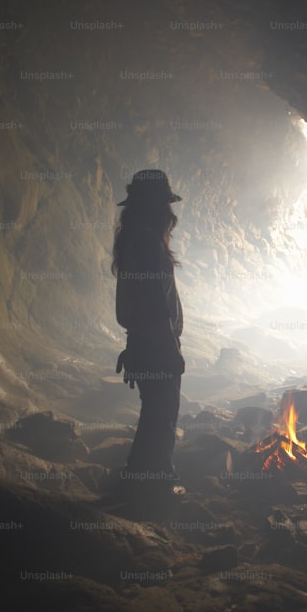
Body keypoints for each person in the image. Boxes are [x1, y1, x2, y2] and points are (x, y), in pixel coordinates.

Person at [112, 169, 185, 504]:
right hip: (155, 344)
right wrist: (171, 349)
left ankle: (140, 483)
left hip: (143, 342)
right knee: (160, 417)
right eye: (166, 204)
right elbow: (155, 302)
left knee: (154, 414)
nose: (171, 213)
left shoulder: (134, 239)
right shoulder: (147, 242)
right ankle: (151, 490)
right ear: (157, 207)